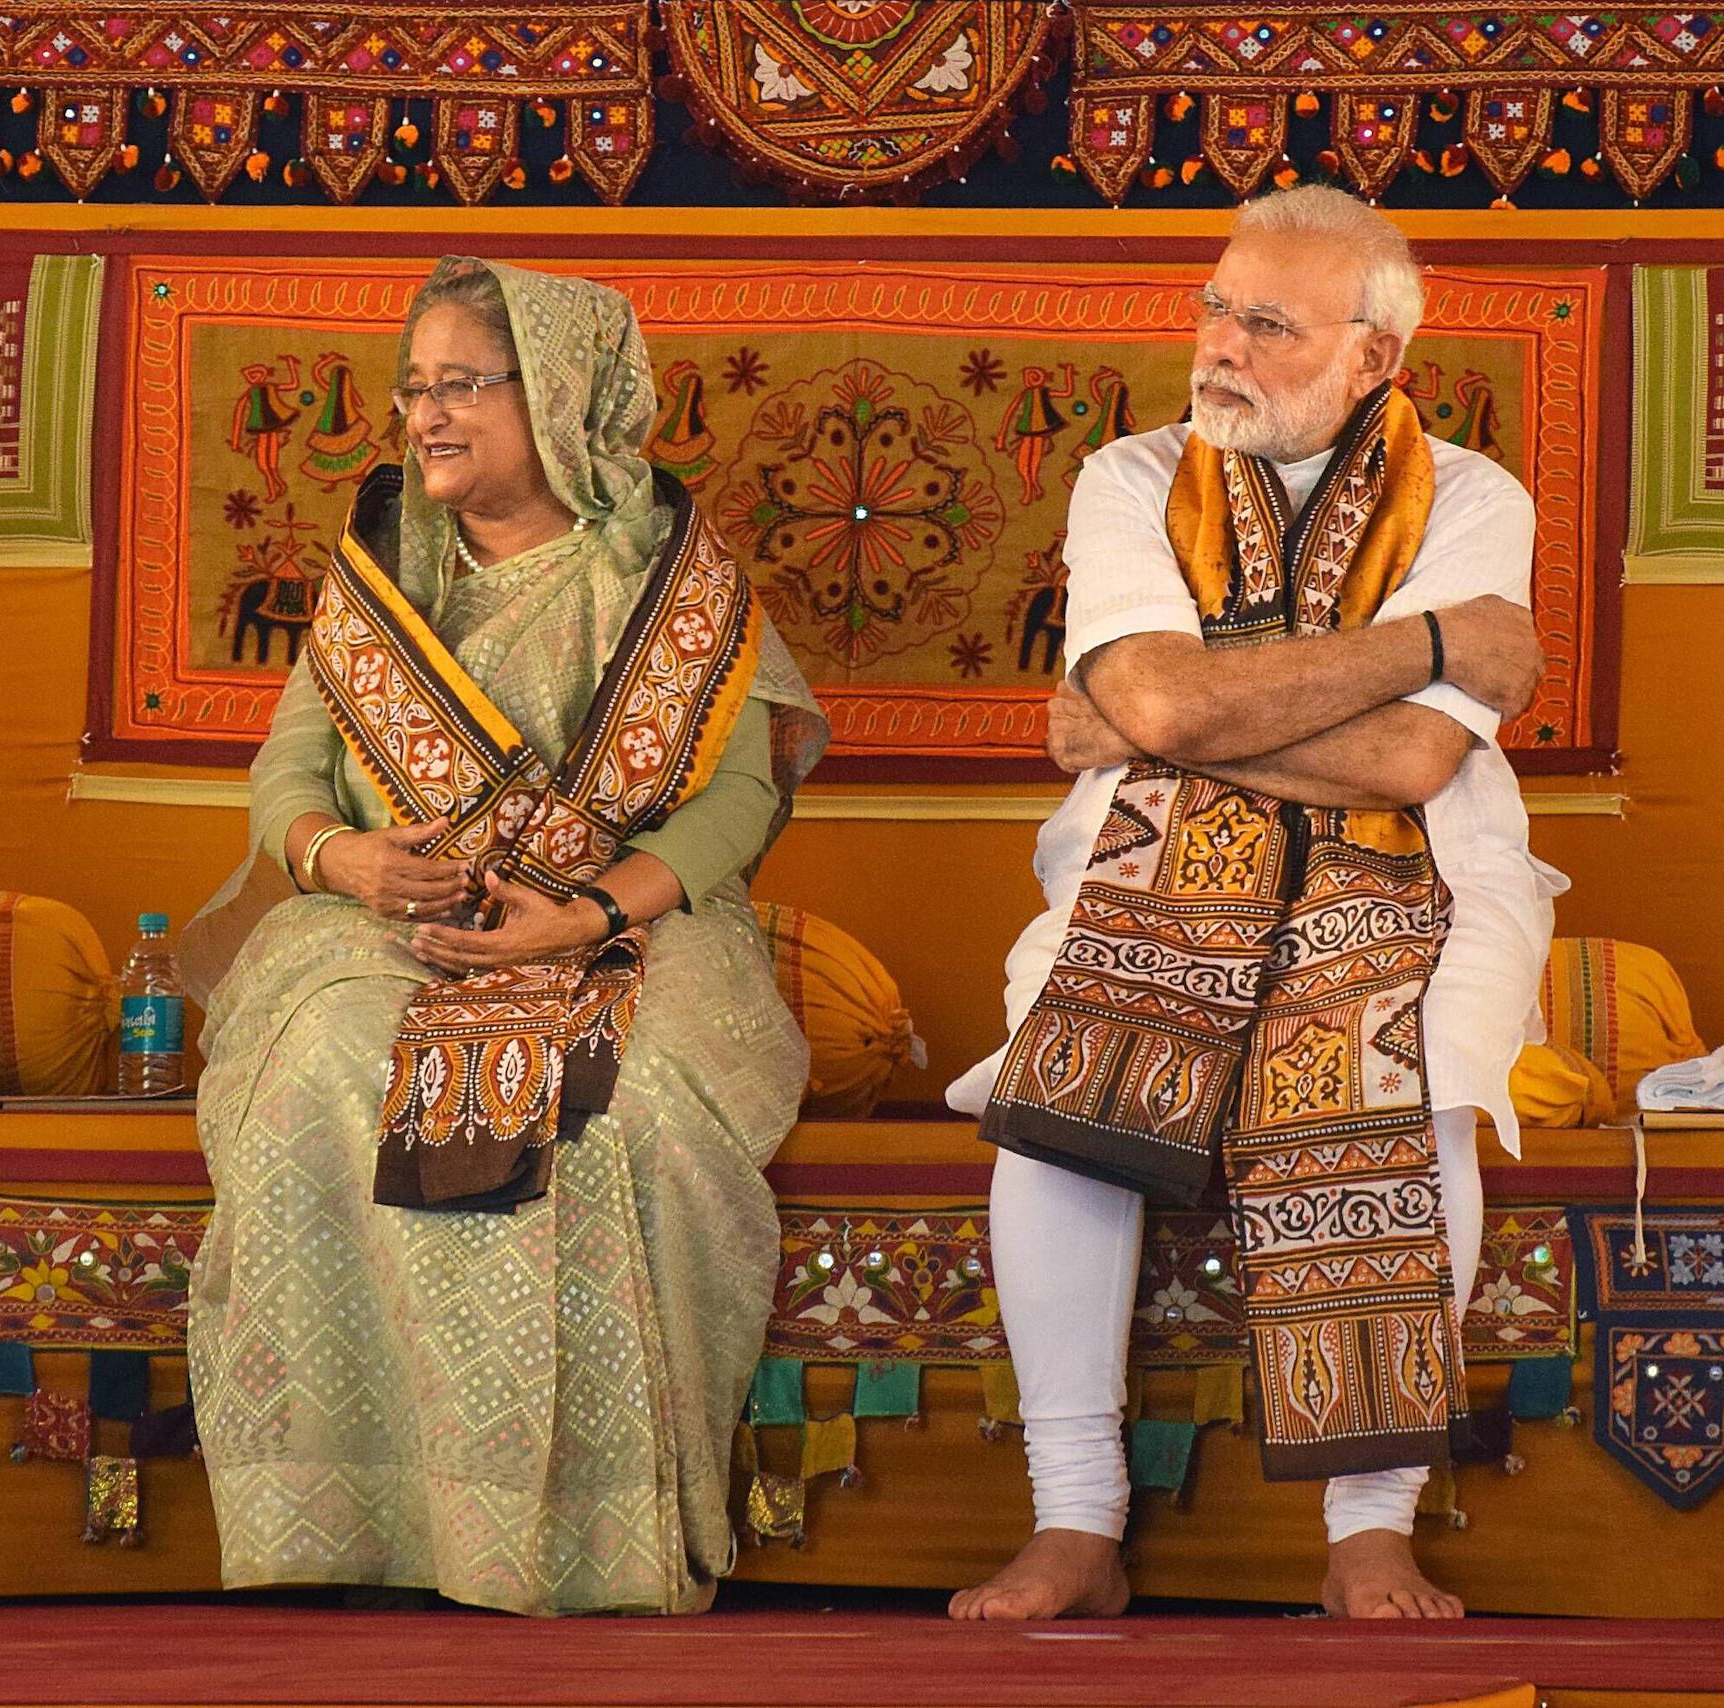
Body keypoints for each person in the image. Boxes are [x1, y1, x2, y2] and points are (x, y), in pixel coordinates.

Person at [945, 185, 1561, 1622]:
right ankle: (1077, 1522)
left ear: (1374, 360)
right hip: (1145, 857)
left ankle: (1368, 1529)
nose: (1221, 342)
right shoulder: (1127, 476)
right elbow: (1164, 696)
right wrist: (1421, 641)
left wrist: (1166, 719)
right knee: (1057, 1089)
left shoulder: (1474, 499)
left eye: (1268, 323)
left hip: (1427, 870)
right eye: (1217, 304)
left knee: (1420, 1082)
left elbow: (1413, 762)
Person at [181, 258, 827, 1615]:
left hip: (628, 929)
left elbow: (743, 799)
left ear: (565, 397)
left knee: (619, 1106)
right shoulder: (382, 575)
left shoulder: (665, 580)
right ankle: (357, 1517)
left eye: (462, 383)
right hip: (389, 933)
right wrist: (342, 858)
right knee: (321, 1075)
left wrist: (587, 915)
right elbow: (287, 775)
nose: (424, 414)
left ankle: (584, 1530)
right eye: (413, 386)